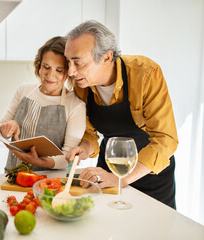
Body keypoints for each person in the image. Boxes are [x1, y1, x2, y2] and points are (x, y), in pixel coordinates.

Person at [65, 20, 178, 208]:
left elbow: (166, 139)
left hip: (150, 175)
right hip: (109, 169)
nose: (71, 71)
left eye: (77, 62)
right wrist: (85, 148)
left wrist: (121, 179)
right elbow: (90, 134)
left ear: (107, 57)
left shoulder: (146, 73)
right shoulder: (81, 84)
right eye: (68, 62)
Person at [0, 36, 86, 171]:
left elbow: (69, 156)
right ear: (39, 65)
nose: (50, 76)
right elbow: (0, 131)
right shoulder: (24, 90)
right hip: (14, 176)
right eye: (46, 67)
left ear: (68, 72)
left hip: (50, 183)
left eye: (59, 70)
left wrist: (39, 162)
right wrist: (7, 128)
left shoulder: (75, 105)